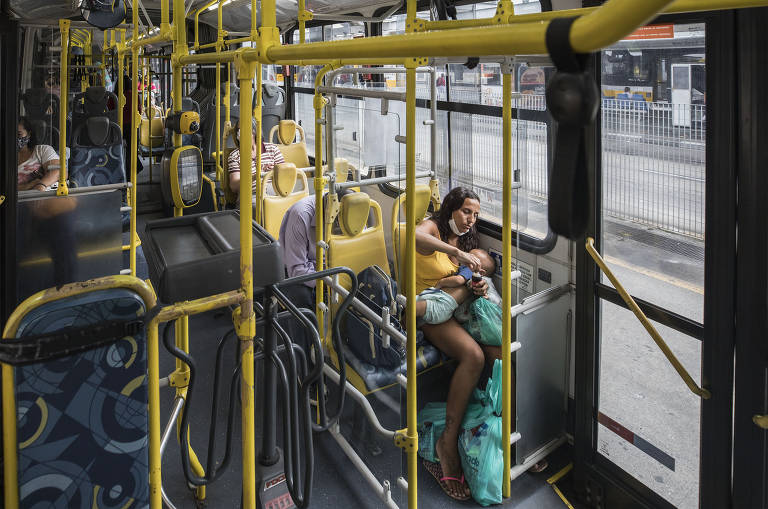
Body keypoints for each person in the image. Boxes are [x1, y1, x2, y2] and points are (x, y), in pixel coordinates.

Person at [415, 249, 496, 326]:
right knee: (412, 305)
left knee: (414, 308)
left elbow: (458, 280)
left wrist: (441, 282)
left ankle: (404, 328)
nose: (465, 256)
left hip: (442, 303)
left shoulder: (470, 270)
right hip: (443, 304)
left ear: (481, 272)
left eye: (471, 257)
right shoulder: (471, 275)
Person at [227, 118, 286, 204]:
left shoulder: (272, 149)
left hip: (276, 191)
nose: (241, 133)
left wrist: (275, 171)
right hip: (251, 195)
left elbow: (285, 176)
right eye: (238, 130)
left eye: (245, 129)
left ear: (254, 131)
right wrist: (255, 175)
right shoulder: (235, 156)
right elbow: (234, 187)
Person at [16, 117, 60, 191]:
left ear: (29, 134)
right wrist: (29, 185)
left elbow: (59, 171)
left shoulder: (43, 150)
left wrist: (41, 185)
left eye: (19, 134)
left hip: (44, 195)